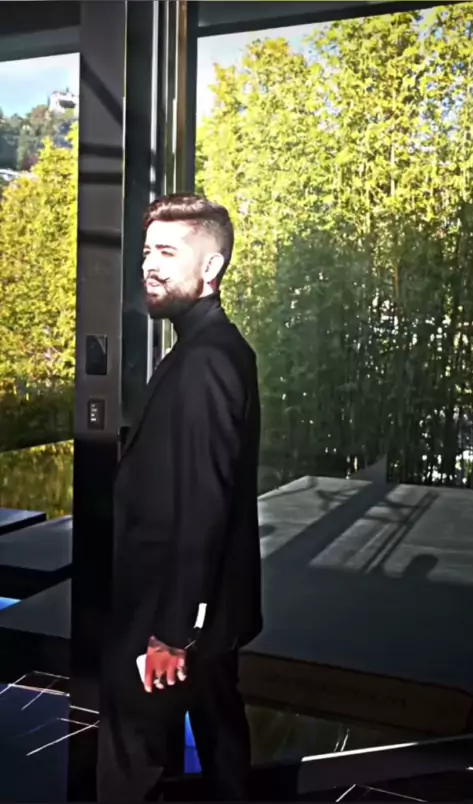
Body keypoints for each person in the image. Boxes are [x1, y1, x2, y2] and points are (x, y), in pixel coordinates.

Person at [97, 194, 263, 802]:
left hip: (166, 612)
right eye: (147, 252)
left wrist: (172, 633)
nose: (150, 265)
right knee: (220, 744)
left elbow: (205, 502)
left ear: (211, 267)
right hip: (198, 610)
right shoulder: (206, 348)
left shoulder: (207, 360)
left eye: (168, 252)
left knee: (129, 766)